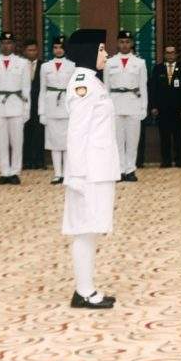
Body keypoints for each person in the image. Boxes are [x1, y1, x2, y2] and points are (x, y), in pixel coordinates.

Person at [62, 29, 120, 309]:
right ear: (88, 53)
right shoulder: (83, 83)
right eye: (101, 49)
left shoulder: (92, 82)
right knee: (85, 229)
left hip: (97, 168)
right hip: (88, 172)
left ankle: (86, 288)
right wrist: (76, 175)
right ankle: (84, 292)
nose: (106, 54)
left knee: (91, 229)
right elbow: (77, 133)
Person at [0, 31, 31, 185]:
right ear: (0, 45)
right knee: (1, 141)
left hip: (17, 105)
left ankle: (15, 172)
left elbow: (26, 88)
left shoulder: (23, 63)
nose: (7, 45)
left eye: (10, 42)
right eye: (4, 43)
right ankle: (4, 172)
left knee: (17, 141)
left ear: (14, 45)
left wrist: (26, 109)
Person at [103, 30, 148, 181]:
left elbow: (143, 87)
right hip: (115, 105)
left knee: (132, 140)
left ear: (132, 44)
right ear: (117, 43)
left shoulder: (140, 63)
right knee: (117, 140)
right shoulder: (109, 62)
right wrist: (106, 108)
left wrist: (144, 107)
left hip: (133, 104)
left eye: (127, 42)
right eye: (122, 42)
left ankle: (130, 169)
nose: (124, 45)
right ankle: (119, 169)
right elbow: (106, 88)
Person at [39, 35, 75, 185]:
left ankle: (66, 173)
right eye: (55, 47)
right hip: (51, 106)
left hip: (67, 106)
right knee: (53, 141)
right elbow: (42, 90)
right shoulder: (45, 66)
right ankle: (57, 173)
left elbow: (74, 89)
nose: (58, 50)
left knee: (67, 142)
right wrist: (41, 112)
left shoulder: (72, 66)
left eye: (61, 47)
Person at [149, 44, 181, 168]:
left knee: (178, 136)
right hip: (162, 109)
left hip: (178, 110)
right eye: (168, 53)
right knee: (164, 137)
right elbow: (153, 89)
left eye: (172, 52)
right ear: (164, 55)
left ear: (176, 54)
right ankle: (166, 160)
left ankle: (179, 160)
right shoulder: (158, 69)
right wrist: (153, 106)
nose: (170, 55)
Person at [22, 39, 46, 171]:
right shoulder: (20, 65)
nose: (32, 52)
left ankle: (39, 161)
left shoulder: (44, 66)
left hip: (38, 103)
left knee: (39, 132)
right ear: (25, 51)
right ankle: (27, 161)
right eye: (29, 50)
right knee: (25, 132)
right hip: (24, 103)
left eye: (34, 50)